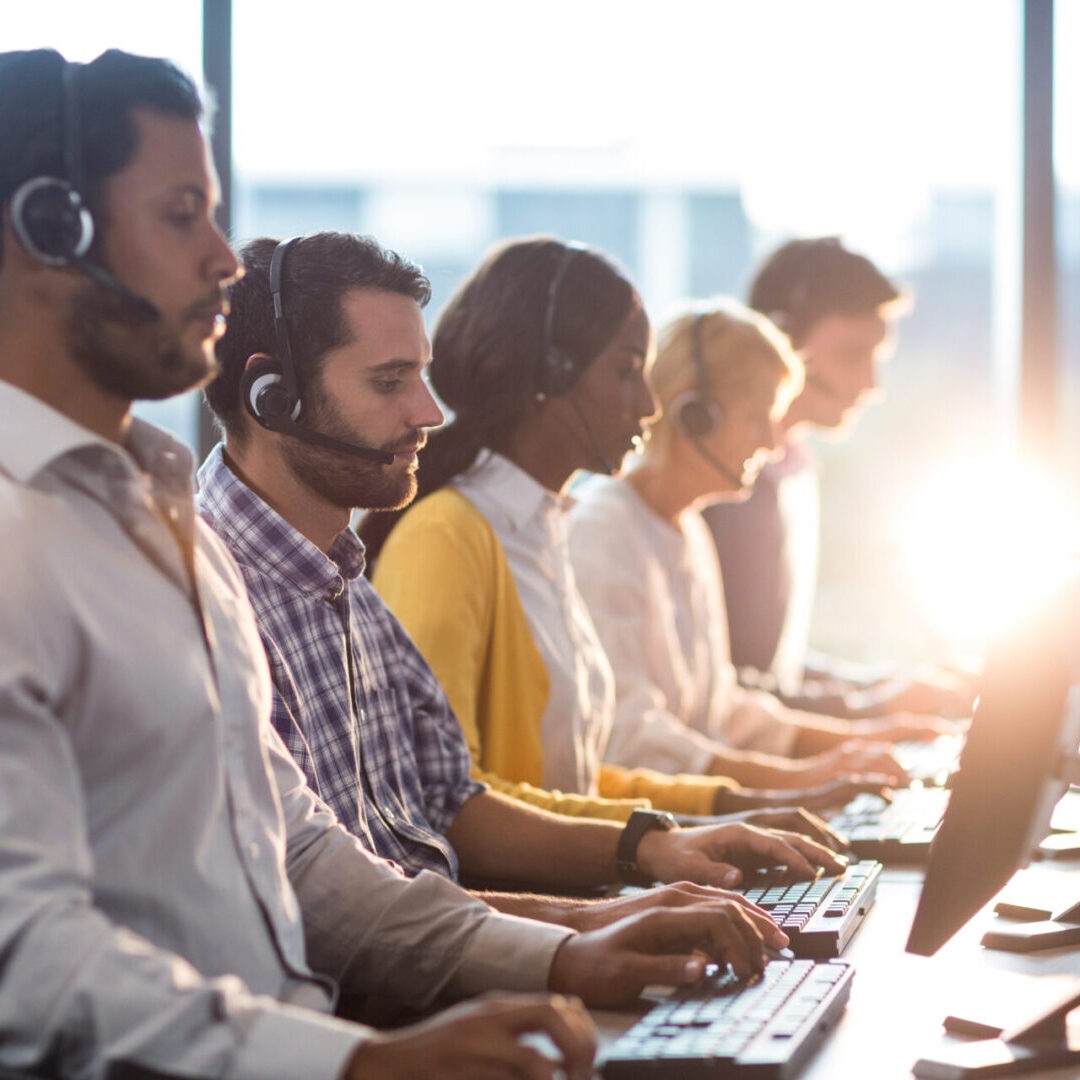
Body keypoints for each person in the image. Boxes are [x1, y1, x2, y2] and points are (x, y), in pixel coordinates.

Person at [0, 48, 790, 1080]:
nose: (224, 258)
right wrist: (356, 1061)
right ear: (49, 229)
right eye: (183, 213)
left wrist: (565, 951)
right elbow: (28, 959)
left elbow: (303, 854)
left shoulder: (160, 519)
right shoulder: (26, 540)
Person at [197, 231, 849, 923]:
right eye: (391, 382)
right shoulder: (223, 596)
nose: (429, 411)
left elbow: (451, 800)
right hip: (421, 977)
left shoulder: (347, 578)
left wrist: (661, 845)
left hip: (473, 939)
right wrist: (595, 918)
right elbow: (353, 897)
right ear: (271, 398)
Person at [363, 236, 910, 820]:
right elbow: (451, 808)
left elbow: (580, 775)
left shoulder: (546, 530)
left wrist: (752, 807)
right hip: (536, 904)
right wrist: (657, 845)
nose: (650, 406)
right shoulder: (452, 538)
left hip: (571, 891)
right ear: (550, 375)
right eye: (627, 372)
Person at [568, 298, 952, 790]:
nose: (772, 443)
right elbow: (632, 739)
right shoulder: (601, 531)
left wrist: (860, 738)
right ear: (694, 416)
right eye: (758, 417)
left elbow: (722, 710)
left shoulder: (685, 529)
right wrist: (803, 777)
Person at [702, 237, 976, 719]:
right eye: (853, 355)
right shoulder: (721, 489)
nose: (872, 384)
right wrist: (873, 705)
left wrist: (886, 686)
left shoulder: (790, 474)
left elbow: (774, 669)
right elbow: (717, 682)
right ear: (781, 341)